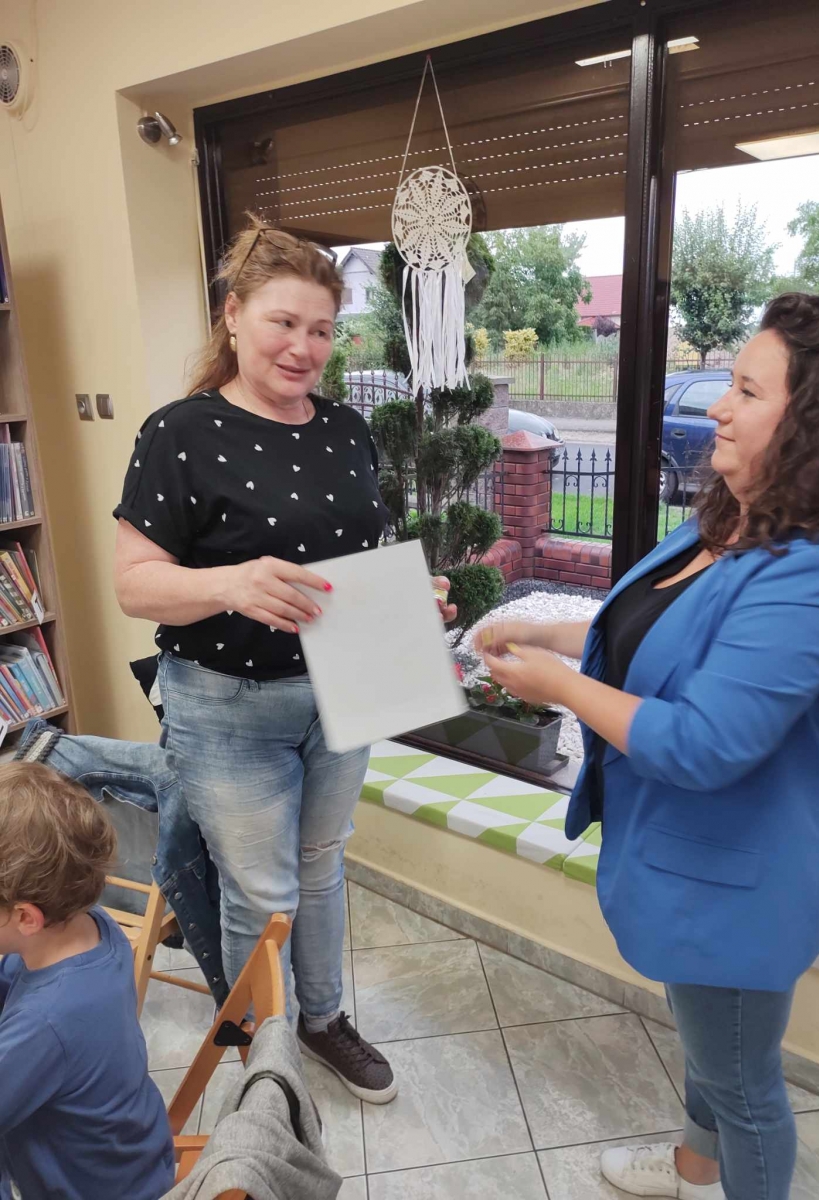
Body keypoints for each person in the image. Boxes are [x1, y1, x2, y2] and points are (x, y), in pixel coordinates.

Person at [475, 292, 819, 1200]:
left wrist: (561, 690)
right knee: (712, 1049)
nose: (718, 408)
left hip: (739, 882)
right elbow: (658, 634)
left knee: (744, 1087)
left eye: (747, 390)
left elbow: (706, 742)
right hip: (684, 858)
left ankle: (725, 1172)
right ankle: (693, 1170)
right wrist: (548, 634)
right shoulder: (732, 518)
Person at [113, 218, 455, 1106]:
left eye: (322, 329)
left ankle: (321, 1019)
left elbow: (354, 559)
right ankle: (263, 1059)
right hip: (225, 705)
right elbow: (135, 587)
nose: (304, 347)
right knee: (260, 892)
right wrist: (229, 583)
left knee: (322, 863)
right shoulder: (180, 433)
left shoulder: (345, 429)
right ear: (233, 315)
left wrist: (407, 602)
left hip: (342, 688)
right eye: (283, 322)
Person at [0, 761, 174, 1200]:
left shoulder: (45, 1024)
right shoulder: (93, 925)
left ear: (26, 918)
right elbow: (12, 980)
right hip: (137, 1153)